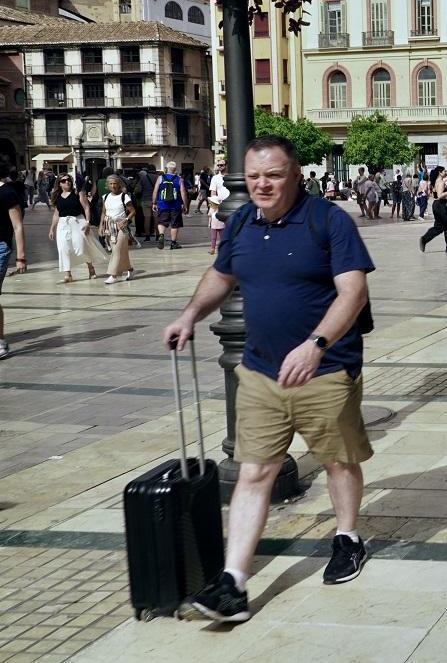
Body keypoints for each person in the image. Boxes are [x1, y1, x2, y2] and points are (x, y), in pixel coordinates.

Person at [162, 135, 375, 623]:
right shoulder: (240, 221)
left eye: (274, 175)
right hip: (259, 370)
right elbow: (222, 274)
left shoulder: (328, 220)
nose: (262, 184)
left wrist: (315, 344)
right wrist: (190, 314)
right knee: (255, 470)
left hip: (324, 369)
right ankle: (233, 583)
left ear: (295, 175)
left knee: (338, 461)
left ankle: (347, 537)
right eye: (254, 175)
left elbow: (353, 291)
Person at [49, 174, 102, 282]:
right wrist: (51, 228)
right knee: (63, 248)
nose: (67, 182)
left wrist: (87, 222)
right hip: (63, 224)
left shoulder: (78, 193)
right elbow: (56, 214)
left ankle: (90, 267)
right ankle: (67, 274)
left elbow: (87, 208)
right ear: (59, 184)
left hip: (78, 221)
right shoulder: (57, 197)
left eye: (69, 180)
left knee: (80, 246)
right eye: (63, 181)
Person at [0, 161, 29, 360]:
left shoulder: (7, 193)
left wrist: (21, 256)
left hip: (1, 246)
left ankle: (0, 341)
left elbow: (18, 226)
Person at [100, 174, 136, 284]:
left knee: (116, 250)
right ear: (107, 185)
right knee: (121, 251)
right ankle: (130, 269)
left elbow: (133, 211)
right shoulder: (105, 197)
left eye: (115, 183)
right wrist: (101, 225)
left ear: (118, 184)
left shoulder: (124, 197)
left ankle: (113, 275)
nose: (113, 186)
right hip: (109, 226)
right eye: (110, 184)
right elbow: (104, 212)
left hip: (122, 226)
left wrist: (126, 219)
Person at [418, 168, 447, 253]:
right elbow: (440, 195)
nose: (445, 172)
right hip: (441, 205)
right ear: (440, 173)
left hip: (436, 204)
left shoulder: (435, 181)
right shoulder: (441, 182)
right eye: (443, 171)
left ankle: (424, 239)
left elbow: (436, 195)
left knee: (439, 227)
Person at [152, 161, 188, 250]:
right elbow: (183, 193)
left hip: (162, 204)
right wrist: (185, 205)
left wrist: (154, 202)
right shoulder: (179, 179)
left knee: (161, 222)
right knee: (175, 224)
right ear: (175, 170)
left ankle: (161, 235)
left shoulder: (160, 178)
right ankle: (173, 243)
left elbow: (155, 191)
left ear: (166, 169)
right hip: (175, 205)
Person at [208, 165, 230, 255]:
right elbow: (213, 192)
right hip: (219, 205)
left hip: (230, 204)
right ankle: (214, 248)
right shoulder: (215, 178)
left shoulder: (231, 176)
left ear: (226, 165)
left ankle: (226, 247)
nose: (220, 166)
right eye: (218, 165)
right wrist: (213, 204)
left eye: (222, 164)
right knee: (216, 235)